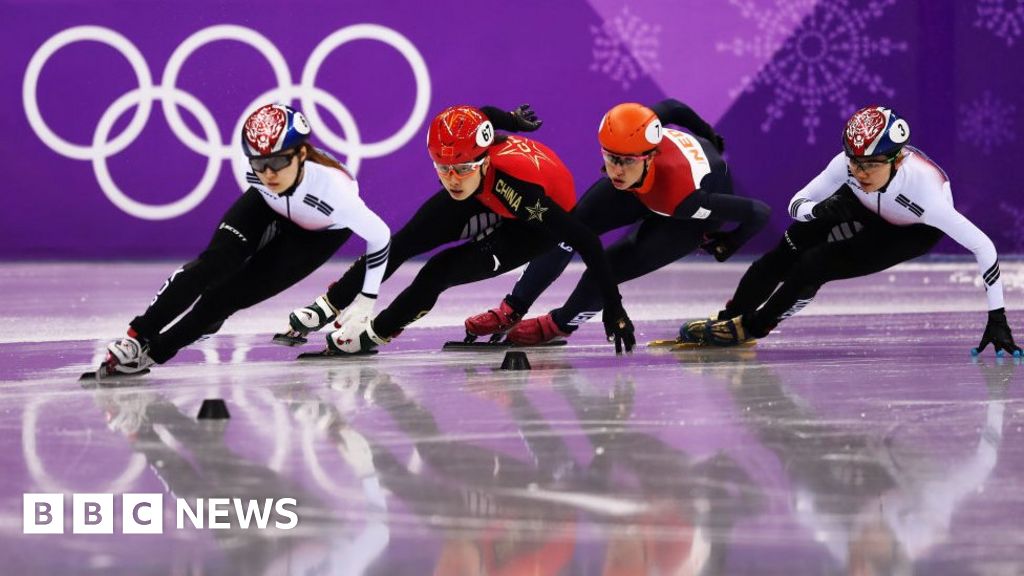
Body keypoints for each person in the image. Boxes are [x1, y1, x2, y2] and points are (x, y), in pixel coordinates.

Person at [293, 103, 635, 355]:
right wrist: (514, 120)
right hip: (483, 191)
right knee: (403, 242)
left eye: (462, 168)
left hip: (530, 224)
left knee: (438, 270)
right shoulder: (468, 165)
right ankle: (330, 304)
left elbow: (587, 240)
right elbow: (485, 114)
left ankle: (376, 333)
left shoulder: (520, 193)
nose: (452, 179)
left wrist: (614, 307)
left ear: (484, 159)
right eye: (443, 168)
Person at [685, 105, 1021, 356]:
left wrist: (997, 316)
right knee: (787, 249)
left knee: (814, 265)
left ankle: (752, 327)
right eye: (854, 161)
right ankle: (729, 317)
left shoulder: (927, 196)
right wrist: (818, 210)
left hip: (907, 230)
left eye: (870, 164)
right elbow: (796, 203)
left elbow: (983, 246)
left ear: (897, 161)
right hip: (860, 203)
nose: (860, 171)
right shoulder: (849, 168)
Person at [96, 103, 391, 377]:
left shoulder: (335, 191)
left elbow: (380, 236)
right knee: (211, 266)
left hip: (317, 234)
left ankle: (153, 355)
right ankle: (136, 337)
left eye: (277, 161)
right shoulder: (253, 170)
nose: (268, 173)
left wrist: (366, 300)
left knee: (225, 298)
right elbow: (263, 179)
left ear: (301, 153)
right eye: (259, 164)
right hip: (267, 205)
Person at [463, 99, 770, 345]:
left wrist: (730, 242)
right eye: (610, 157)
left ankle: (559, 323)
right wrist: (707, 133)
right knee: (564, 230)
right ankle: (512, 308)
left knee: (610, 265)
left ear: (649, 156)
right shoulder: (640, 131)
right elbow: (673, 106)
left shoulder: (684, 198)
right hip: (644, 187)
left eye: (625, 161)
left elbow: (759, 212)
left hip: (685, 215)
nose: (616, 170)